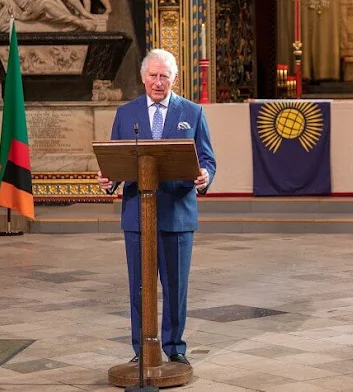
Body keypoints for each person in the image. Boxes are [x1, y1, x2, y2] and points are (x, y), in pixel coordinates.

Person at [96, 49, 216, 366]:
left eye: (164, 76)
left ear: (174, 79)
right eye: (153, 75)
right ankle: (142, 348)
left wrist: (206, 176)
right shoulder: (126, 114)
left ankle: (174, 347)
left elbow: (207, 160)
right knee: (140, 287)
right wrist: (110, 180)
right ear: (143, 77)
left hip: (177, 215)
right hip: (138, 215)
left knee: (175, 288)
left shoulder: (192, 112)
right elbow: (116, 161)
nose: (158, 82)